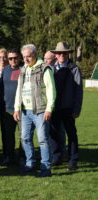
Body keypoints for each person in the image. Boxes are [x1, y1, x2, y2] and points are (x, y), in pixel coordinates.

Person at [13, 44, 56, 177]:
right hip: (25, 111)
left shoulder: (44, 68)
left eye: (29, 56)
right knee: (25, 138)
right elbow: (19, 90)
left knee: (42, 139)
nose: (25, 59)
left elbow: (51, 90)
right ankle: (30, 164)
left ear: (35, 55)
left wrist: (49, 109)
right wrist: (16, 108)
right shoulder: (23, 69)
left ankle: (46, 168)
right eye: (24, 57)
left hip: (40, 110)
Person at [49, 42, 83, 170]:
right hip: (54, 107)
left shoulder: (74, 68)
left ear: (68, 54)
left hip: (68, 108)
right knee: (53, 133)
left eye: (64, 53)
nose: (61, 55)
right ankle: (56, 157)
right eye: (59, 53)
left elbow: (78, 91)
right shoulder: (51, 68)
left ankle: (73, 159)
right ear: (56, 55)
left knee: (71, 134)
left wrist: (77, 109)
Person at [0, 48, 25, 166]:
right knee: (8, 136)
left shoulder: (24, 69)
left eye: (15, 58)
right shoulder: (5, 70)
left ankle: (22, 157)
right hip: (7, 109)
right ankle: (9, 157)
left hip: (22, 109)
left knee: (23, 136)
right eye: (10, 58)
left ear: (19, 57)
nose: (13, 60)